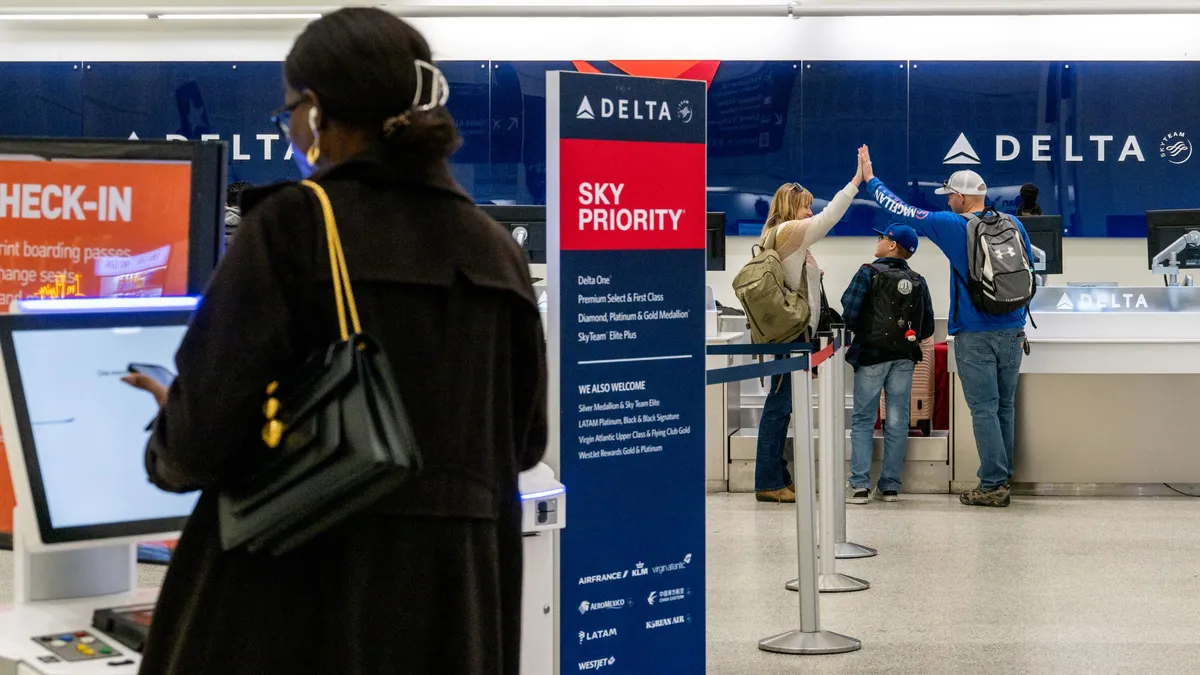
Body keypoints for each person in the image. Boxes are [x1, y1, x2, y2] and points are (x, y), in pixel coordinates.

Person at [121, 9, 547, 674]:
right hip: (455, 614)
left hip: (292, 598)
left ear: (316, 113)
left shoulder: (291, 227)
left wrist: (172, 428)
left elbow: (200, 441)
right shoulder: (497, 254)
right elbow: (525, 442)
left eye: (291, 110)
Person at [858, 146, 1031, 508]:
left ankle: (993, 484)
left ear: (964, 197)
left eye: (950, 194)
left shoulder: (954, 225)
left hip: (975, 333)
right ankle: (1003, 476)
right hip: (1014, 330)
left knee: (984, 408)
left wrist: (871, 180)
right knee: (1004, 407)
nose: (947, 200)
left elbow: (901, 210)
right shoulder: (1014, 224)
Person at [753, 165, 865, 504]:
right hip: (791, 337)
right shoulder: (788, 231)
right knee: (779, 406)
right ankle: (768, 482)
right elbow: (830, 217)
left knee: (782, 406)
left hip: (792, 336)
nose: (810, 212)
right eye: (806, 206)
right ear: (791, 208)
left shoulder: (777, 234)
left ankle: (777, 477)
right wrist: (857, 181)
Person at [840, 223, 934, 504]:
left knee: (863, 419)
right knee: (896, 420)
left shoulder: (868, 272)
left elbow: (850, 312)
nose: (878, 240)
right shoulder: (918, 280)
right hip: (904, 356)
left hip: (871, 355)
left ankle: (858, 485)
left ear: (892, 245)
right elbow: (927, 325)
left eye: (882, 237)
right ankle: (890, 486)